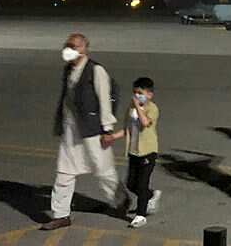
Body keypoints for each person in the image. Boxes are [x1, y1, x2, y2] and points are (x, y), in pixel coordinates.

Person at [42, 33, 127, 230]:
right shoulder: (68, 69)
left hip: (92, 130)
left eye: (72, 45)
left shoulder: (96, 71)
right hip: (71, 131)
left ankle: (121, 201)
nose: (68, 49)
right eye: (67, 45)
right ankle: (61, 214)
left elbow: (105, 100)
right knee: (64, 172)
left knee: (103, 170)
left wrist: (107, 129)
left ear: (83, 49)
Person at [124, 77, 160, 228]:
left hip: (148, 152)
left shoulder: (152, 108)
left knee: (142, 183)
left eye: (140, 93)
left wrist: (138, 108)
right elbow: (128, 127)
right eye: (134, 92)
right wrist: (113, 136)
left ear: (149, 95)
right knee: (131, 183)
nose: (136, 96)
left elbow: (145, 123)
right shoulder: (131, 109)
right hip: (134, 151)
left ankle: (141, 215)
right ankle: (151, 195)